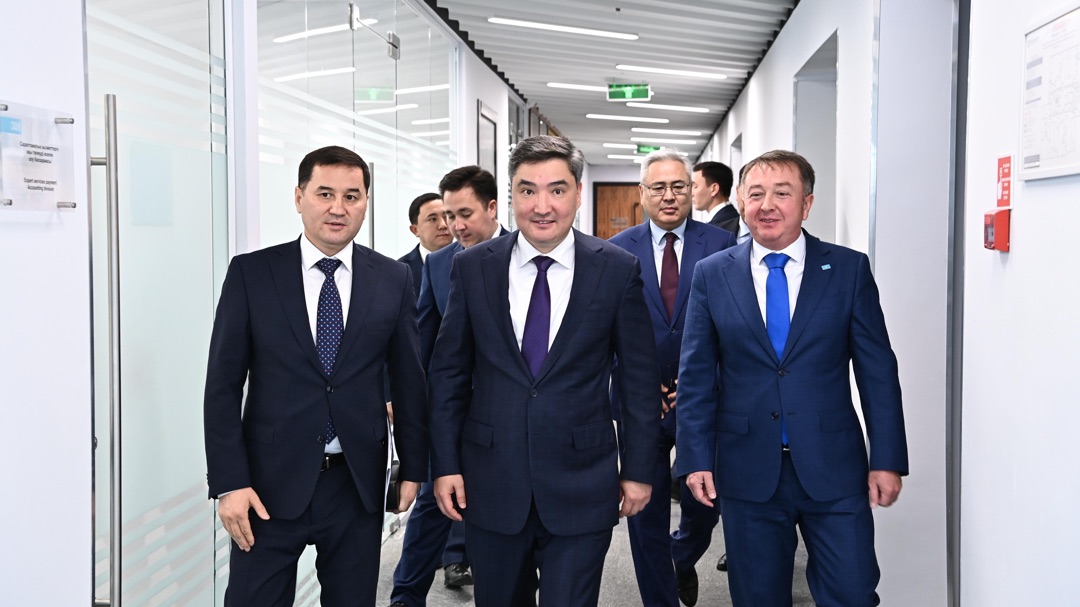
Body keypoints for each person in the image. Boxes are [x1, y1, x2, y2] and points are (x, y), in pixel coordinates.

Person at [429, 135, 659, 607]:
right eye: (527, 190)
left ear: (578, 192)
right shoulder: (473, 268)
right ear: (510, 196)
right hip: (491, 482)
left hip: (582, 481)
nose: (542, 206)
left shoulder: (617, 269)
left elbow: (637, 381)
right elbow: (449, 374)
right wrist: (445, 464)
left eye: (556, 190)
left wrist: (639, 469)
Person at [676, 150, 908, 606]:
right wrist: (695, 457)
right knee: (758, 596)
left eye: (782, 193)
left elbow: (878, 372)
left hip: (834, 467)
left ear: (807, 204)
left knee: (853, 593)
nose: (767, 205)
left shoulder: (847, 269)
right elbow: (696, 376)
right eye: (756, 194)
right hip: (746, 467)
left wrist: (887, 458)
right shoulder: (713, 274)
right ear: (741, 201)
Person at [203, 145, 428, 606]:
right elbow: (222, 386)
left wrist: (413, 466)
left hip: (355, 484)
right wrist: (229, 483)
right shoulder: (252, 274)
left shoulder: (393, 279)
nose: (338, 208)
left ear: (366, 202)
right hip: (265, 485)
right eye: (325, 193)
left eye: (352, 196)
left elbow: (409, 382)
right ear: (299, 197)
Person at [609, 149, 735, 607]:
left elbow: (734, 327)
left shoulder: (723, 245)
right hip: (639, 400)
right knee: (643, 509)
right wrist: (645, 384)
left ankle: (680, 556)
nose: (669, 195)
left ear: (692, 192)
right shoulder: (615, 250)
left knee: (706, 502)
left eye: (679, 186)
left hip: (702, 398)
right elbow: (607, 333)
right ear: (642, 193)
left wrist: (694, 384)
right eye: (658, 187)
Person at [388, 166, 507, 607]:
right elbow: (422, 343)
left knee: (504, 515)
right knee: (432, 505)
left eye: (464, 214)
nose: (455, 226)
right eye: (449, 215)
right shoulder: (439, 264)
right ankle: (406, 596)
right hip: (451, 411)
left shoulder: (524, 254)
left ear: (492, 208)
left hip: (508, 413)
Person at [399, 192, 452, 297]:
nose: (443, 225)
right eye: (433, 219)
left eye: (447, 217)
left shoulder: (468, 261)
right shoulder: (400, 271)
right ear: (415, 230)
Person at [692, 161, 739, 236]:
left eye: (695, 186)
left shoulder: (719, 228)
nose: (691, 193)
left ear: (714, 189)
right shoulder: (731, 218)